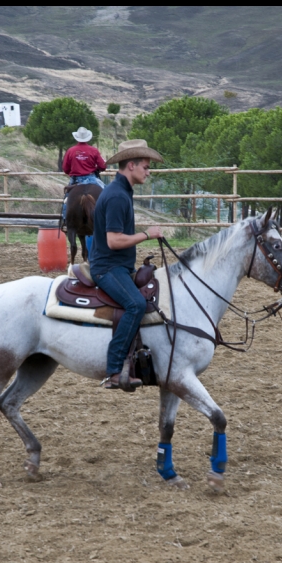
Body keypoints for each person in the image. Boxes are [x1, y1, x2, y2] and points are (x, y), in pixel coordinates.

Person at [88, 139, 164, 391]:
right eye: (145, 166)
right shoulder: (118, 196)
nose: (148, 171)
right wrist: (147, 235)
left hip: (118, 265)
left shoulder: (122, 191)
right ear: (130, 165)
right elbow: (113, 240)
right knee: (136, 304)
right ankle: (114, 370)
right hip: (107, 268)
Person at [61, 126, 107, 226]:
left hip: (75, 180)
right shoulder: (94, 150)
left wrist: (72, 173)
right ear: (88, 138)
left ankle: (65, 220)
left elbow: (65, 168)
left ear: (77, 137)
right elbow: (103, 166)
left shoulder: (71, 151)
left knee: (67, 199)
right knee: (107, 193)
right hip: (91, 179)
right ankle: (109, 219)